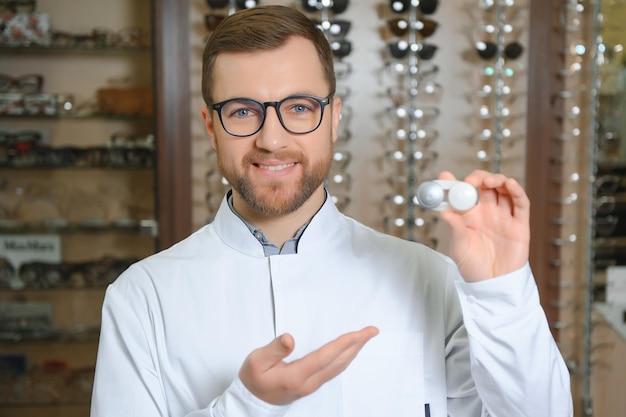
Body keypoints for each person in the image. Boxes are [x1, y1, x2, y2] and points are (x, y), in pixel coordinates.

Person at [91, 5, 573, 417]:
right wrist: (247, 406)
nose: (272, 139)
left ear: (334, 118)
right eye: (242, 111)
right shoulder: (142, 297)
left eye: (299, 107)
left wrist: (501, 292)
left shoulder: (429, 277)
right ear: (210, 126)